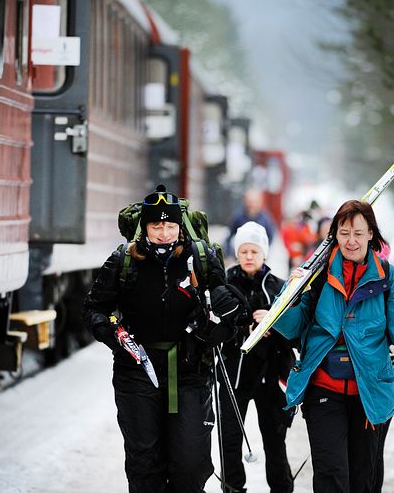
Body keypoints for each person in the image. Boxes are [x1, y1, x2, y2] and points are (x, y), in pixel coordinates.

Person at [82, 185, 245, 493]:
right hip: (137, 373)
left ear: (179, 226)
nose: (163, 232)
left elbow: (225, 314)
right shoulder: (123, 261)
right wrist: (114, 333)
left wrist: (219, 326)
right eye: (156, 225)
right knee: (145, 465)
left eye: (170, 225)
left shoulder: (201, 259)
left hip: (190, 372)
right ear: (145, 227)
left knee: (191, 466)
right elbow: (94, 309)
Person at [272, 199, 394, 493]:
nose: (351, 241)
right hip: (323, 388)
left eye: (358, 233)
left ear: (371, 233)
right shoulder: (318, 275)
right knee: (331, 475)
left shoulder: (387, 277)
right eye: (344, 233)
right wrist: (288, 293)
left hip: (369, 391)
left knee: (363, 479)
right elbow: (290, 327)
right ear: (334, 234)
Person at [219, 221, 295, 493]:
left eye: (254, 251)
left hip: (271, 376)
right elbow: (214, 326)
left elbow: (296, 330)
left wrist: (274, 325)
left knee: (275, 441)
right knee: (229, 440)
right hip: (234, 376)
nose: (249, 257)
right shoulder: (224, 284)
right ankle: (233, 488)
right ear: (237, 254)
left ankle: (282, 487)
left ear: (264, 254)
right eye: (244, 251)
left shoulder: (279, 287)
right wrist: (244, 328)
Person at [226, 188, 276, 259]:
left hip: (259, 257)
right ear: (245, 201)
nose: (252, 204)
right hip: (240, 257)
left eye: (255, 201)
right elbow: (228, 236)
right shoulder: (237, 217)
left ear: (260, 202)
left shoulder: (266, 219)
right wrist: (229, 255)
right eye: (250, 201)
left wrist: (264, 252)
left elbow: (271, 237)